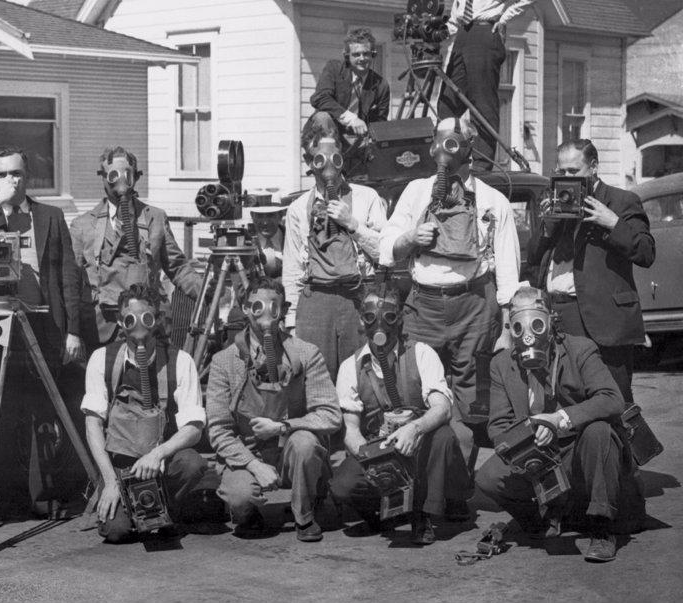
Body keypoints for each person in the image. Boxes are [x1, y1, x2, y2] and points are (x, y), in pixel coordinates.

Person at [379, 116, 522, 477]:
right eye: (441, 141)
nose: (447, 149)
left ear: (470, 148)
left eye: (456, 141)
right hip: (423, 306)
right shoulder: (415, 192)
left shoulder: (493, 201)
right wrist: (412, 238)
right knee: (415, 388)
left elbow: (508, 269)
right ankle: (415, 481)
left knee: (468, 398)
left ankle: (455, 485)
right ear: (431, 147)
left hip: (474, 305)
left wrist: (506, 326)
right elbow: (386, 247)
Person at [0, 145, 84, 513]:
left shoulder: (51, 216)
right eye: (4, 174)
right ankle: (0, 498)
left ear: (27, 175)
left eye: (18, 173)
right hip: (0, 326)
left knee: (43, 412)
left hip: (43, 323)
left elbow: (68, 277)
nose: (12, 180)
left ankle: (42, 496)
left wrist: (72, 330)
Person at [476, 287, 627, 562]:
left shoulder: (580, 349)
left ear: (550, 320)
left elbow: (612, 399)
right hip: (535, 451)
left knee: (600, 431)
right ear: (510, 327)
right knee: (488, 477)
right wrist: (529, 437)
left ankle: (602, 528)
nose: (528, 334)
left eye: (535, 323)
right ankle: (543, 519)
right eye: (518, 326)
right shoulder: (501, 364)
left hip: (579, 448)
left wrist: (559, 420)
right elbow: (498, 427)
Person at [331, 286, 473, 545]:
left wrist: (415, 429)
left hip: (420, 442)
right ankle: (384, 517)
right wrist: (373, 458)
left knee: (443, 436)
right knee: (343, 486)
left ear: (400, 320)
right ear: (363, 321)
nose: (380, 326)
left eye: (389, 317)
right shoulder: (349, 367)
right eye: (372, 317)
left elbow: (442, 408)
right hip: (380, 446)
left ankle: (424, 514)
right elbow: (350, 431)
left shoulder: (421, 353)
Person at [207, 277, 342, 542]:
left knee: (305, 444)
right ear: (246, 308)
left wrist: (284, 427)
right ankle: (249, 514)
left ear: (283, 310)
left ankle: (305, 514)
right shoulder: (224, 361)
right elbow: (219, 430)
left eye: (273, 306)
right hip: (248, 452)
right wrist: (254, 465)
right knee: (239, 496)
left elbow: (330, 414)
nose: (265, 313)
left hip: (290, 449)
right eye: (257, 306)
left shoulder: (306, 354)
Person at [530, 139, 655, 402]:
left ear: (594, 167)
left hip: (605, 321)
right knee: (568, 400)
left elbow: (646, 252)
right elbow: (534, 258)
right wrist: (547, 227)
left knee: (615, 402)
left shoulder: (622, 200)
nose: (566, 177)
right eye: (561, 172)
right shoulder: (555, 200)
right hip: (561, 315)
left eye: (574, 171)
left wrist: (612, 223)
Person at [81, 284, 208, 542]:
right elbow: (92, 424)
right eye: (130, 319)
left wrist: (157, 454)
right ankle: (135, 509)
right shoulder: (101, 359)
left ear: (158, 319)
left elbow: (194, 427)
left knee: (192, 463)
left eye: (147, 317)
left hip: (161, 460)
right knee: (116, 532)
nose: (138, 326)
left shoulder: (180, 361)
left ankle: (165, 508)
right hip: (120, 465)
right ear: (120, 321)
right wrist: (110, 481)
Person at [283, 114, 386, 380]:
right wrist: (292, 321)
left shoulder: (367, 198)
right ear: (309, 162)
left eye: (335, 157)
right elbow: (293, 269)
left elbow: (385, 253)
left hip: (356, 297)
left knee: (362, 374)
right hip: (315, 301)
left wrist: (352, 224)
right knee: (316, 377)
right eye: (319, 158)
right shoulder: (297, 210)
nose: (328, 165)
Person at [70, 146, 202, 346]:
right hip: (102, 327)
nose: (120, 181)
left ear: (136, 177)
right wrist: (72, 330)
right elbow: (71, 280)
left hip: (149, 323)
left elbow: (178, 267)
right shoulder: (84, 225)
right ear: (103, 177)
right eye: (113, 174)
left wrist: (206, 290)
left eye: (126, 174)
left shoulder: (154, 218)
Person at [440, 0, 538, 165]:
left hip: (485, 35)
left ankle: (483, 164)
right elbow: (454, 21)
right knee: (447, 99)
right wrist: (437, 34)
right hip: (463, 37)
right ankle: (446, 155)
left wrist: (503, 20)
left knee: (482, 102)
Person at [310, 27, 390, 142]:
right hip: (326, 137)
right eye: (356, 54)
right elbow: (319, 98)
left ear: (373, 54)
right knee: (323, 117)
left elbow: (380, 122)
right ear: (346, 56)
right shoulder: (334, 69)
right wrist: (351, 119)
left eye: (366, 54)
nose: (362, 58)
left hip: (358, 142)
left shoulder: (381, 85)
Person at [249, 201, 288, 279]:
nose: (265, 222)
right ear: (252, 216)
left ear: (280, 215)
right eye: (259, 215)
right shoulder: (244, 242)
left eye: (270, 215)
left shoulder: (293, 239)